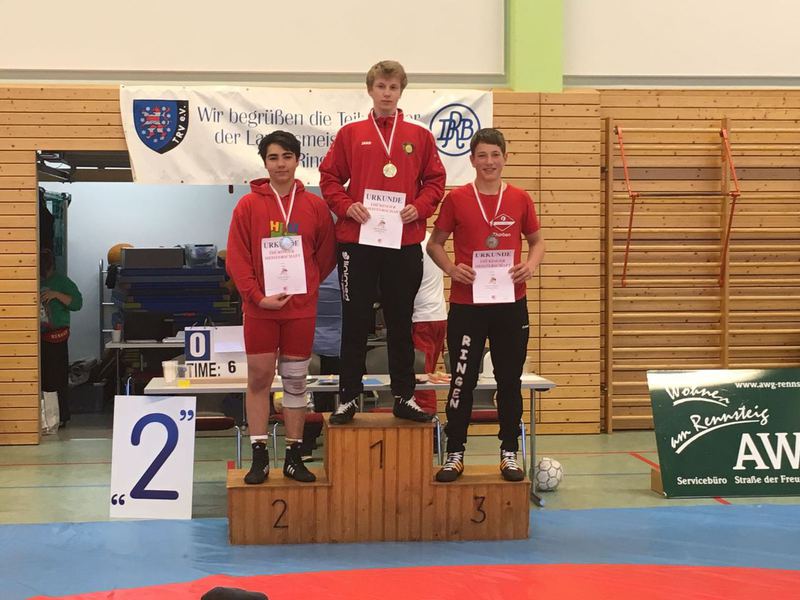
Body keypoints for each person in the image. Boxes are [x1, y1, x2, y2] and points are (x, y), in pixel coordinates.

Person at [320, 59, 446, 425]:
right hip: (357, 242)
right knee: (355, 321)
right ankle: (348, 398)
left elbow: (435, 182)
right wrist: (347, 205)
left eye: (393, 87)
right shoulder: (351, 134)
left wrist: (419, 207)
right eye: (381, 87)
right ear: (370, 90)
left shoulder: (419, 136)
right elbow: (329, 178)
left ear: (401, 91)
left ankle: (404, 397)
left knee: (400, 321)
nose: (387, 93)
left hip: (403, 242)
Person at [427, 128, 545, 483]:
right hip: (468, 305)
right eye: (482, 155)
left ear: (505, 158)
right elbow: (434, 244)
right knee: (462, 380)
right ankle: (455, 453)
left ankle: (509, 453)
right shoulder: (457, 199)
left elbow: (537, 242)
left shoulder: (520, 198)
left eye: (495, 155)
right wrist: (451, 269)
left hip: (511, 303)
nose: (489, 162)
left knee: (509, 380)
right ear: (472, 160)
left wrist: (530, 265)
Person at [226, 130, 336, 484]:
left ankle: (293, 455)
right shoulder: (247, 205)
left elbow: (326, 255)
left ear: (298, 160)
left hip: (300, 309)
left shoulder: (315, 206)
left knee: (295, 381)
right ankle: (259, 455)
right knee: (259, 379)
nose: (281, 164)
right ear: (264, 163)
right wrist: (257, 296)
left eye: (287, 156)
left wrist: (306, 285)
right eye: (273, 157)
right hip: (260, 309)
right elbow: (237, 258)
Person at [39, 248, 83, 426]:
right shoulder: (35, 280)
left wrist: (56, 295)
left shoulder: (62, 282)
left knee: (57, 377)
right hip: (38, 336)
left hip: (57, 336)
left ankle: (61, 416)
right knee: (42, 378)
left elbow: (77, 303)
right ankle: (45, 417)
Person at [412, 231, 447, 415]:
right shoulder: (431, 240)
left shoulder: (413, 244)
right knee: (426, 375)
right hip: (438, 315)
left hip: (422, 318)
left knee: (422, 378)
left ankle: (429, 421)